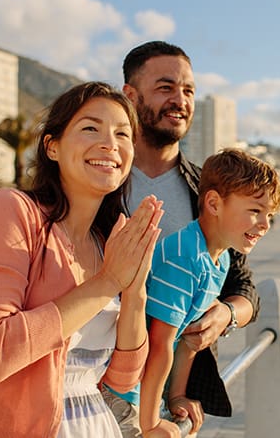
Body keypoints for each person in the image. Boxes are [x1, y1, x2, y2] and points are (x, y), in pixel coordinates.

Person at [0, 82, 164, 438]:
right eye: (91, 128)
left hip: (94, 426)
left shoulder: (107, 240)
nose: (110, 143)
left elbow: (121, 378)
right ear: (52, 146)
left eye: (123, 134)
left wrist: (135, 288)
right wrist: (108, 282)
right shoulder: (11, 211)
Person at [101, 40, 261, 437]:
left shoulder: (205, 188)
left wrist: (224, 317)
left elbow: (243, 286)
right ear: (131, 96)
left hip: (172, 400)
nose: (180, 100)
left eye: (189, 90)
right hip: (94, 383)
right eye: (166, 87)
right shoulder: (101, 179)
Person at [140, 148, 280, 437]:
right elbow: (160, 343)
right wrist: (150, 422)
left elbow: (189, 338)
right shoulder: (185, 257)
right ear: (214, 204)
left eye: (269, 214)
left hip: (153, 391)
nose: (265, 225)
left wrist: (176, 397)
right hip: (129, 389)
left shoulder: (220, 259)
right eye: (255, 211)